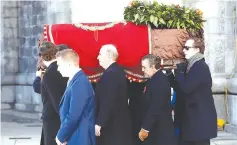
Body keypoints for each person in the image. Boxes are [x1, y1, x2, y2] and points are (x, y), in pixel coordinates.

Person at [171, 37, 217, 145]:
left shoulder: (200, 66)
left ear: (197, 50)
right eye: (184, 48)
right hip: (191, 122)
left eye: (187, 48)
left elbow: (186, 88)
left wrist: (180, 72)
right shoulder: (191, 66)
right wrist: (170, 76)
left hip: (200, 122)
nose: (183, 51)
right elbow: (181, 89)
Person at [95, 44, 133, 145]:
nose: (98, 57)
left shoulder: (111, 74)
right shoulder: (117, 71)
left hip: (112, 125)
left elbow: (107, 101)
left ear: (109, 56)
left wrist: (99, 122)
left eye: (100, 54)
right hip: (118, 122)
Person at [55, 49, 96, 145]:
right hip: (75, 135)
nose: (58, 69)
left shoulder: (79, 83)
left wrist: (61, 136)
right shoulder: (75, 80)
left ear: (69, 64)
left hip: (80, 137)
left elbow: (73, 115)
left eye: (59, 65)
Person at [139, 54, 177, 145]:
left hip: (160, 132)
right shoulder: (156, 79)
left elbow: (155, 107)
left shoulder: (159, 80)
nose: (142, 70)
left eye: (144, 67)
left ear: (152, 67)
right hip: (157, 130)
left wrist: (145, 128)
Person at [35, 42, 68, 145]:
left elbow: (57, 100)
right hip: (55, 117)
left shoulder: (50, 72)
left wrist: (65, 126)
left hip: (53, 120)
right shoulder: (56, 68)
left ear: (42, 56)